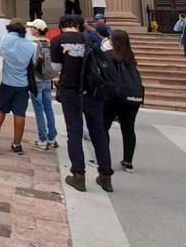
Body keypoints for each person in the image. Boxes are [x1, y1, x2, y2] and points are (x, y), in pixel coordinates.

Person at [50, 14, 114, 193]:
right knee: (98, 132)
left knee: (74, 132)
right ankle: (105, 176)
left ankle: (78, 175)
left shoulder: (57, 40)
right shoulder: (90, 39)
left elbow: (56, 69)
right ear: (79, 26)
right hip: (93, 91)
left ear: (62, 26)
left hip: (71, 91)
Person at [0, 17, 36, 154]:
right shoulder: (31, 46)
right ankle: (17, 144)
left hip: (3, 81)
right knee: (20, 114)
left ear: (9, 28)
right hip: (22, 83)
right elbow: (33, 64)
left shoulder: (2, 39)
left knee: (0, 108)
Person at [103, 31, 142, 173]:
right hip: (132, 97)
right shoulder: (130, 57)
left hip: (114, 97)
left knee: (103, 127)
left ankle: (103, 159)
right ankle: (128, 162)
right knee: (128, 129)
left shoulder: (108, 55)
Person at [28, 19, 59, 150]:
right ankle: (52, 137)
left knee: (39, 109)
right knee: (48, 108)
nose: (30, 29)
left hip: (36, 79)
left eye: (32, 27)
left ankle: (42, 138)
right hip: (48, 79)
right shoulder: (49, 43)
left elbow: (32, 62)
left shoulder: (33, 45)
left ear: (36, 29)